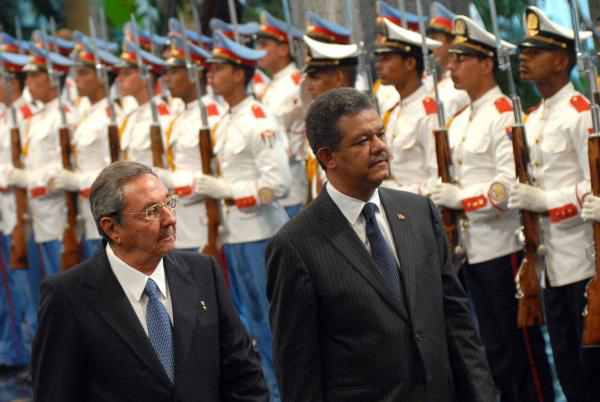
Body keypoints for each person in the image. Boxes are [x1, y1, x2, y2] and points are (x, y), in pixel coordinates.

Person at [266, 87, 496, 401]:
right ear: (327, 157)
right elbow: (298, 365)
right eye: (362, 141)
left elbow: (457, 322)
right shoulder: (294, 245)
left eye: (380, 135)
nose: (380, 148)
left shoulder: (419, 212)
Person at [31, 161, 269, 402]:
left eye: (168, 203)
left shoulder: (204, 271)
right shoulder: (67, 297)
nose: (170, 219)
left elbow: (244, 376)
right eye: (151, 212)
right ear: (112, 228)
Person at [431, 15, 554, 401]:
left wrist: (460, 198)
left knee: (523, 353)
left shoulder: (502, 112)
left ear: (486, 63)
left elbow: (507, 186)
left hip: (505, 248)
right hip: (474, 249)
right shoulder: (460, 119)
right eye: (450, 59)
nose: (450, 66)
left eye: (460, 59)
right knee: (494, 350)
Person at [509, 6, 600, 401]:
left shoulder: (581, 114)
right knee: (565, 366)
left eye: (535, 52)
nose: (523, 59)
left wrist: (547, 202)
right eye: (524, 53)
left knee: (591, 367)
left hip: (582, 257)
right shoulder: (531, 118)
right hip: (548, 261)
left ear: (561, 61)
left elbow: (593, 185)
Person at [202, 31, 291, 401]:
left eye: (219, 68)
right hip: (236, 235)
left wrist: (227, 192)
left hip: (260, 233)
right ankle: (267, 390)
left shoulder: (259, 120)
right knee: (250, 324)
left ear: (240, 73)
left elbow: (278, 185)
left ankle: (283, 390)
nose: (210, 74)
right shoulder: (225, 120)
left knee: (273, 323)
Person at [56, 37, 124, 259]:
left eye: (84, 73)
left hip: (108, 217)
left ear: (102, 77)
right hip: (88, 217)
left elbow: (116, 171)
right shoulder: (89, 114)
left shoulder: (110, 117)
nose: (77, 78)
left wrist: (79, 182)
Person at [158, 34, 224, 251]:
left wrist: (173, 181)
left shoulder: (213, 117)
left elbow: (216, 175)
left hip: (204, 221)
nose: (167, 78)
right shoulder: (180, 116)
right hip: (180, 221)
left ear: (195, 74)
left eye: (174, 71)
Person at [0, 49, 37, 371]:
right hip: (8, 215)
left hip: (24, 217)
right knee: (12, 292)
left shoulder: (26, 117)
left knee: (27, 290)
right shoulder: (5, 115)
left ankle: (27, 354)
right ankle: (13, 351)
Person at [374, 18, 440, 196]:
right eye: (379, 58)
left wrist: (399, 192)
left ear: (410, 63)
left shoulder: (429, 112)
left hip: (421, 208)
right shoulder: (394, 110)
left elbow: (439, 180)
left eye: (387, 58)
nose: (378, 65)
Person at [256, 11, 307, 219]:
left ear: (284, 48)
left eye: (264, 45)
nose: (259, 51)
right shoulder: (270, 86)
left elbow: (297, 140)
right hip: (272, 189)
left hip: (292, 189)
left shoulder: (297, 84)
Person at [426, 1, 469, 121]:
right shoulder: (440, 80)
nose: (430, 44)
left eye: (434, 38)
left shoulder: (456, 88)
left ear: (452, 43)